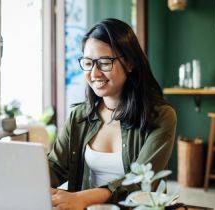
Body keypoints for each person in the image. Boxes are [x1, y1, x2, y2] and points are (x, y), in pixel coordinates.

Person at [48, 18, 177, 210]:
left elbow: (139, 182)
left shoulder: (161, 116)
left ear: (130, 63)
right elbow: (56, 167)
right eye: (88, 62)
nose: (94, 73)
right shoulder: (79, 117)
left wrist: (82, 198)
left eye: (104, 63)